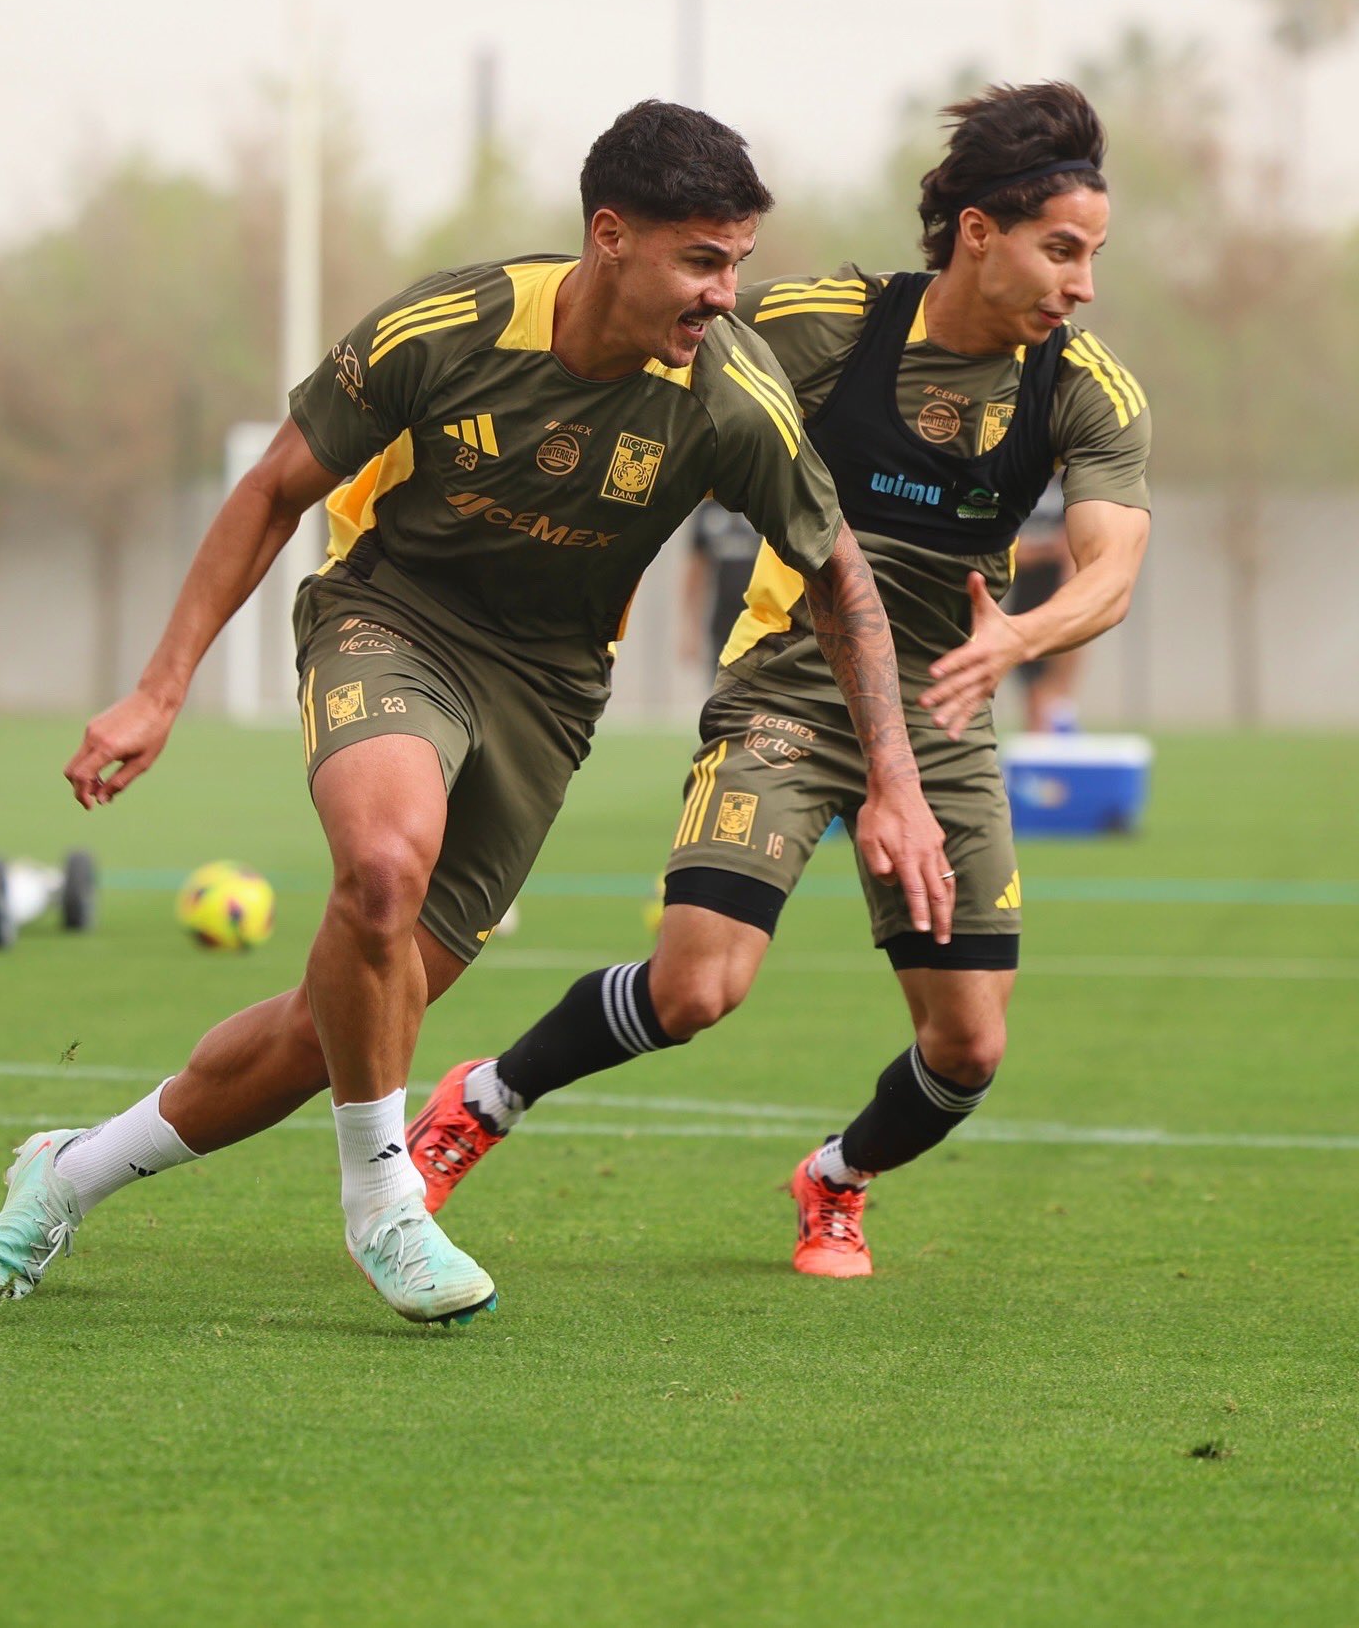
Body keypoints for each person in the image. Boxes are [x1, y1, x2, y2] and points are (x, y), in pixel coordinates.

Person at [0, 101, 951, 1322]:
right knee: (381, 866)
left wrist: (895, 784)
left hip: (548, 687)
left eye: (739, 260)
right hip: (394, 617)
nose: (728, 295)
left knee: (337, 1028)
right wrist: (161, 689)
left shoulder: (732, 398)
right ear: (610, 237)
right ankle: (386, 1204)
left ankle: (68, 1173)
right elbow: (275, 489)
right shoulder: (451, 328)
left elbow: (842, 571)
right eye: (703, 260)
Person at [404, 82, 1153, 1280]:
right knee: (700, 984)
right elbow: (661, 385)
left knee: (967, 1048)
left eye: (1094, 256)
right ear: (978, 232)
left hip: (946, 723)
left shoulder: (1082, 387)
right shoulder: (829, 327)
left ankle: (836, 1180)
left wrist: (1020, 638)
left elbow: (1113, 567)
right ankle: (482, 1100)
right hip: (790, 697)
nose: (1083, 284)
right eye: (1062, 249)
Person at [1008, 475, 1083, 730]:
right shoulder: (1018, 481)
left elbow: (1072, 547)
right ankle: (1038, 735)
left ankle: (1059, 718)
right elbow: (1012, 552)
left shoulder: (1073, 484)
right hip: (1025, 600)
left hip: (1059, 594)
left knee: (1061, 670)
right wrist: (1045, 551)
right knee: (1033, 685)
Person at [681, 499, 763, 675]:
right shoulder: (709, 510)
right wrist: (691, 630)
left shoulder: (766, 502)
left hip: (763, 619)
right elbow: (696, 571)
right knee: (724, 689)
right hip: (723, 621)